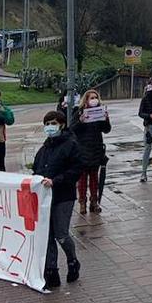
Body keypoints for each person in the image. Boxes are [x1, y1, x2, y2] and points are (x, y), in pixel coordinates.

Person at [32, 111, 82, 289]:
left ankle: (72, 261)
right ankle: (51, 270)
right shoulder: (45, 147)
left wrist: (56, 181)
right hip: (46, 198)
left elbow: (76, 169)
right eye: (47, 123)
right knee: (47, 235)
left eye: (53, 123)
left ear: (61, 124)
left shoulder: (71, 144)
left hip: (63, 196)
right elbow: (37, 167)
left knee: (61, 234)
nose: (49, 127)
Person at [70, 89, 111, 214]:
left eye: (95, 97)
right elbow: (72, 129)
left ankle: (94, 201)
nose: (94, 100)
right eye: (91, 98)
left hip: (95, 149)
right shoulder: (79, 112)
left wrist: (106, 119)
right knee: (82, 179)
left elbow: (106, 130)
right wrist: (81, 121)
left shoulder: (100, 112)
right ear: (86, 100)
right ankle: (82, 202)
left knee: (94, 178)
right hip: (82, 150)